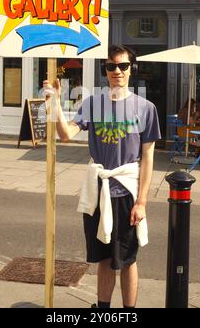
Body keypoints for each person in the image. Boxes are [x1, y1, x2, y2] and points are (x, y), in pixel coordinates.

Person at [43, 45, 161, 308]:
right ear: (105, 70)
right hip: (97, 192)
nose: (117, 71)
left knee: (128, 259)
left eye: (123, 66)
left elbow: (148, 158)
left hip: (126, 192)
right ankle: (103, 310)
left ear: (132, 69)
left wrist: (142, 202)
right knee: (104, 259)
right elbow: (65, 134)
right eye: (111, 66)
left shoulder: (145, 108)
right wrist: (54, 103)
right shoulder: (93, 103)